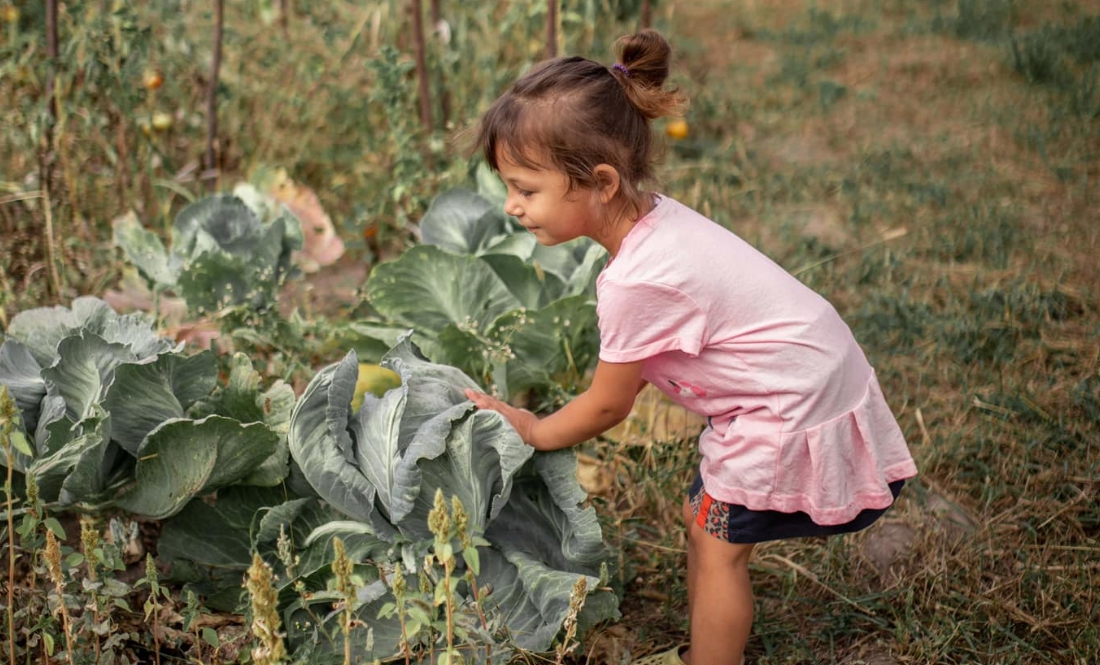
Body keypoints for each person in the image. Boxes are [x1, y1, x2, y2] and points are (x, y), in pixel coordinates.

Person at [463, 29, 918, 665]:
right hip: (803, 369)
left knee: (719, 548)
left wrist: (534, 429)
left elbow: (606, 406)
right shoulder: (654, 222)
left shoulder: (635, 281)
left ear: (599, 181)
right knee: (706, 525)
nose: (512, 206)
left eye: (526, 189)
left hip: (788, 400)